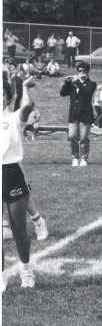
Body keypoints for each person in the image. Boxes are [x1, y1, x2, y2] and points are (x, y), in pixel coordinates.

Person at [2, 75, 38, 290]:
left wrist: (24, 87)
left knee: (18, 229)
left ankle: (26, 269)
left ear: (7, 97)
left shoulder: (15, 117)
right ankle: (2, 274)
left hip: (12, 173)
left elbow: (28, 106)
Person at [59, 61, 96, 167]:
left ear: (87, 72)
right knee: (72, 136)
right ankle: (75, 157)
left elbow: (86, 93)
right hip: (73, 113)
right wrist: (67, 83)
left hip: (86, 113)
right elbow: (62, 93)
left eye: (84, 71)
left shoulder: (91, 84)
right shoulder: (73, 84)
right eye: (79, 71)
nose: (81, 73)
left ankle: (84, 158)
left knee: (84, 137)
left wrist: (76, 82)